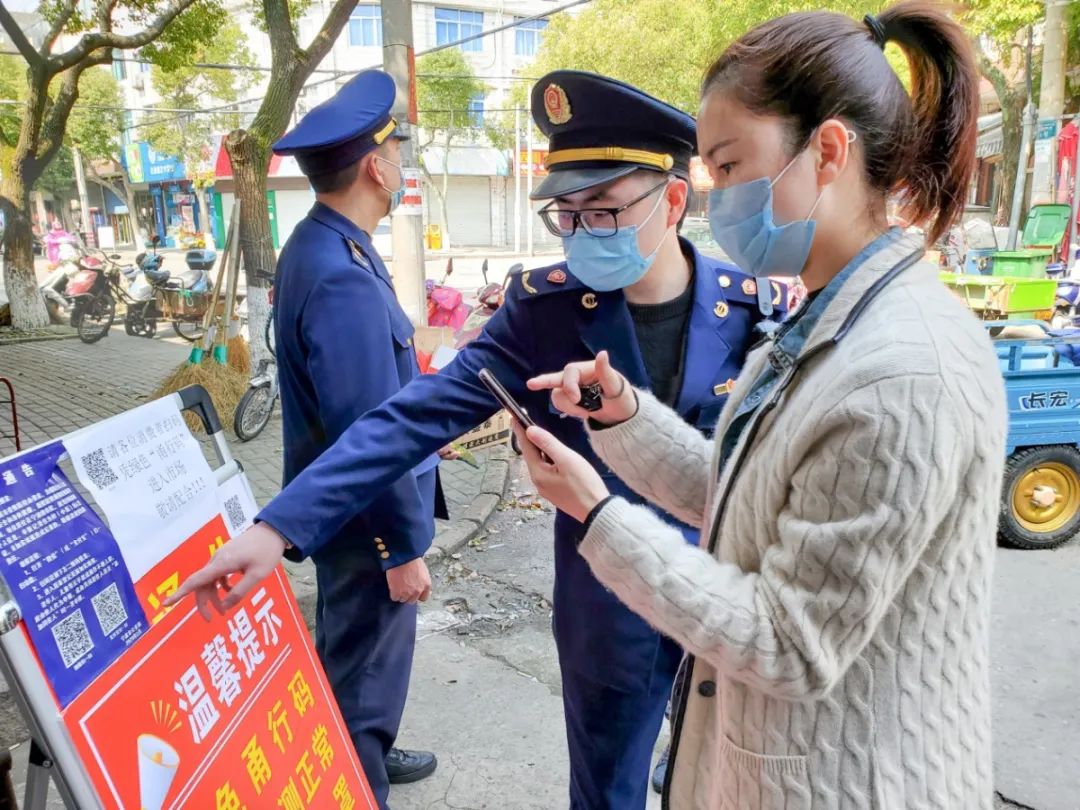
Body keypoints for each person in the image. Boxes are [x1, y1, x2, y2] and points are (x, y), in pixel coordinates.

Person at [167, 70, 785, 809]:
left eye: (605, 211)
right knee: (608, 790)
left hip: (723, 595)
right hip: (606, 601)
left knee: (719, 780)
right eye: (567, 214)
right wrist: (278, 526)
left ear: (674, 199)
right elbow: (409, 416)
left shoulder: (754, 311)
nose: (584, 232)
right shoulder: (546, 312)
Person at [513, 4, 1007, 808]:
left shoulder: (902, 372)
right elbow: (747, 496)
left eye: (733, 166)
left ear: (831, 150)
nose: (719, 203)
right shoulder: (829, 314)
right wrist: (623, 416)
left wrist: (599, 517)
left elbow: (788, 641)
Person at [260, 69, 446, 807]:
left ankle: (370, 742)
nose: (400, 165)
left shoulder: (326, 244)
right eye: (397, 153)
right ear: (375, 165)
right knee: (364, 663)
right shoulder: (340, 273)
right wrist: (399, 547)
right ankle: (357, 778)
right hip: (366, 524)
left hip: (343, 518)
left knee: (358, 653)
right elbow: (367, 432)